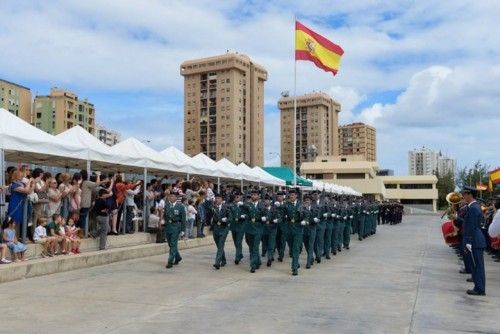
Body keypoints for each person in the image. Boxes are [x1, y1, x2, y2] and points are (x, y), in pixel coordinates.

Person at [452, 186, 486, 296]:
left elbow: (472, 227)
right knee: (476, 265)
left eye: (464, 194)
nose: (463, 196)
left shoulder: (474, 208)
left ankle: (480, 289)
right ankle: (478, 286)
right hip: (475, 240)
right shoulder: (473, 207)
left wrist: (468, 242)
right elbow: (468, 223)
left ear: (470, 194)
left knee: (477, 266)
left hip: (475, 241)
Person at [241, 189, 265, 273]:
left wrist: (265, 218)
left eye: (255, 195)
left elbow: (266, 214)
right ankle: (257, 261)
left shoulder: (262, 205)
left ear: (258, 196)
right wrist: (243, 215)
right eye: (252, 195)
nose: (253, 196)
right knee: (251, 247)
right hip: (249, 228)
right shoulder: (247, 204)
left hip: (258, 228)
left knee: (255, 247)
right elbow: (242, 211)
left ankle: (253, 265)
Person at [7, 169, 34, 237]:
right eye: (21, 176)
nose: (23, 177)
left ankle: (16, 238)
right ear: (16, 176)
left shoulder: (22, 184)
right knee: (14, 222)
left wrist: (33, 184)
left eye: (23, 176)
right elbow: (26, 190)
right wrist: (29, 181)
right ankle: (11, 239)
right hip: (15, 204)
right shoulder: (14, 185)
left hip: (21, 205)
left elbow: (29, 191)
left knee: (19, 222)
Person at [283, 189, 304, 276]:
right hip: (289, 228)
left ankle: (294, 268)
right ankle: (296, 263)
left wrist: (305, 220)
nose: (291, 196)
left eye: (293, 195)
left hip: (298, 228)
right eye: (290, 195)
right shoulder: (286, 205)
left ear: (296, 196)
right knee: (291, 247)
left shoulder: (301, 205)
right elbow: (281, 212)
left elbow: (306, 213)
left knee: (295, 248)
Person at [164, 192, 185, 269]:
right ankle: (178, 257)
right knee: (170, 244)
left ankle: (170, 261)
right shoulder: (167, 206)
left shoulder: (180, 206)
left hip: (176, 226)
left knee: (173, 244)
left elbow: (183, 219)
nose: (171, 198)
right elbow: (165, 216)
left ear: (176, 197)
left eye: (172, 196)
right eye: (170, 196)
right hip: (168, 226)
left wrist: (183, 230)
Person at [211, 193, 232, 269]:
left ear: (222, 200)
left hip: (224, 228)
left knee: (220, 245)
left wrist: (226, 219)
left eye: (218, 198)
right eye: (216, 198)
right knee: (219, 246)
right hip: (216, 228)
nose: (217, 200)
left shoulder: (226, 208)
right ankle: (224, 260)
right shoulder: (213, 207)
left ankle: (217, 262)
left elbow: (230, 218)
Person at [301, 194, 319, 269]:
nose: (306, 202)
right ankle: (314, 256)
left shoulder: (315, 209)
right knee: (306, 245)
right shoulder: (302, 209)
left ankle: (308, 262)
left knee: (311, 245)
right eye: (305, 200)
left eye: (308, 200)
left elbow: (317, 217)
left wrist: (315, 220)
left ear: (311, 201)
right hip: (304, 229)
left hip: (312, 229)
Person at [229, 191, 245, 264]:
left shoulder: (244, 205)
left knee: (238, 241)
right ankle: (240, 254)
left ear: (241, 197)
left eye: (238, 196)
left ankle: (237, 257)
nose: (237, 197)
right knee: (236, 242)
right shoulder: (231, 205)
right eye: (235, 196)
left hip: (241, 226)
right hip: (233, 226)